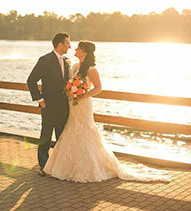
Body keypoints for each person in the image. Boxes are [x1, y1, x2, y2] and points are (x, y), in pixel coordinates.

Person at [43, 40, 171, 183]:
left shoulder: (91, 69)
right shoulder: (74, 66)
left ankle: (89, 167)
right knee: (71, 129)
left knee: (85, 131)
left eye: (78, 48)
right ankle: (66, 165)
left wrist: (82, 95)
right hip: (72, 105)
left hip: (83, 105)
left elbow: (98, 88)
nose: (75, 49)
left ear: (84, 51)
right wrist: (71, 92)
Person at [27, 32, 71, 176]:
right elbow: (31, 80)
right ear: (60, 44)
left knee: (61, 137)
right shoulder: (45, 60)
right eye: (67, 43)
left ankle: (58, 165)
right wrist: (40, 100)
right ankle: (43, 166)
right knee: (45, 135)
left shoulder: (66, 61)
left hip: (64, 107)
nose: (69, 46)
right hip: (49, 106)